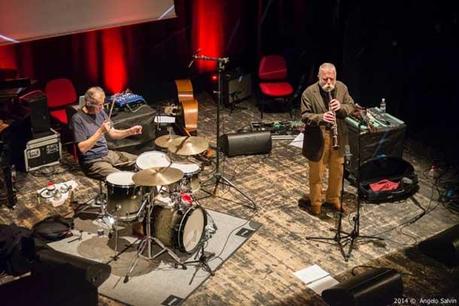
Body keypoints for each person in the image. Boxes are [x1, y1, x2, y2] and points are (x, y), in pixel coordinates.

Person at [300, 63, 355, 215]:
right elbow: (305, 116)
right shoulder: (309, 93)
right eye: (325, 79)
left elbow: (350, 106)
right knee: (317, 174)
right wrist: (321, 117)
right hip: (318, 138)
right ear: (318, 77)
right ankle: (316, 203)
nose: (329, 83)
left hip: (338, 138)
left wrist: (341, 107)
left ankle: (333, 199)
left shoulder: (342, 88)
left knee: (338, 172)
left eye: (332, 79)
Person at [70, 86, 143, 181]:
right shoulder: (77, 119)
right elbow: (82, 148)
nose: (102, 108)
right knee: (123, 179)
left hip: (107, 154)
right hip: (92, 161)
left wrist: (130, 131)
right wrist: (100, 131)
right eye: (99, 105)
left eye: (103, 104)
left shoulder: (100, 112)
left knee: (141, 162)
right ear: (88, 103)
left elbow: (113, 133)